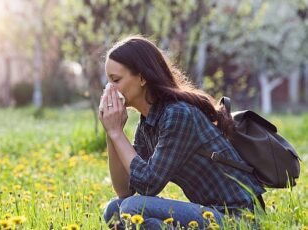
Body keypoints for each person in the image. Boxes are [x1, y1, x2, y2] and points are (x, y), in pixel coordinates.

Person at [98, 35, 265, 229]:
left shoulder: (177, 114)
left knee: (133, 208)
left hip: (240, 218)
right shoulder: (148, 122)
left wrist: (117, 132)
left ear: (142, 77)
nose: (109, 88)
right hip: (210, 212)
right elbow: (125, 190)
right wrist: (112, 133)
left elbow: (148, 185)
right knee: (114, 210)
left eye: (115, 79)